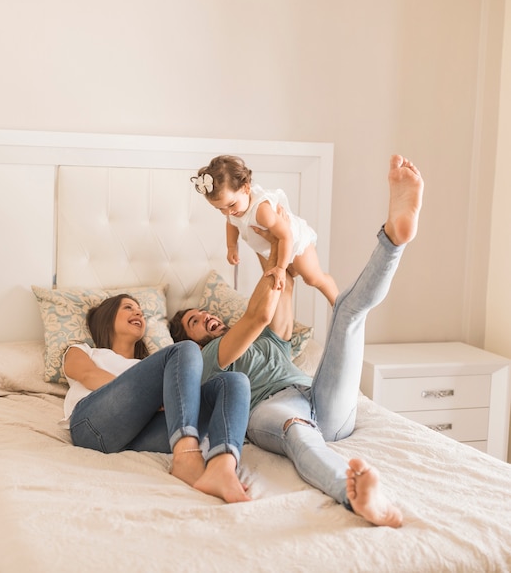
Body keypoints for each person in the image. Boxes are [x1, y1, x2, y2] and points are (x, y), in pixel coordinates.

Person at [171, 154, 424, 527]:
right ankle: (356, 497)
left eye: (205, 312)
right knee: (298, 434)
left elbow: (283, 284)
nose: (206, 316)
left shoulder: (271, 339)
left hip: (322, 399)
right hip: (271, 412)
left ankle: (393, 241)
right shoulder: (208, 358)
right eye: (194, 320)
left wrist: (280, 241)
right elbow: (257, 315)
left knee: (346, 313)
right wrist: (272, 248)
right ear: (188, 341)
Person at [62, 294, 251, 503]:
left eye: (140, 310)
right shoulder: (84, 350)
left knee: (234, 381)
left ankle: (222, 467)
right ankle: (186, 455)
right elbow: (88, 375)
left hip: (137, 437)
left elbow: (183, 401)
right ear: (107, 318)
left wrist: (160, 398)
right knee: (185, 348)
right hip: (92, 426)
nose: (138, 313)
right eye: (128, 307)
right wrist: (149, 399)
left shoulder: (152, 366)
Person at [191, 155, 338, 304]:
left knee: (312, 278)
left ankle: (336, 301)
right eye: (220, 209)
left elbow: (286, 236)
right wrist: (232, 246)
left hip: (295, 242)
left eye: (231, 205)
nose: (227, 212)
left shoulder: (262, 211)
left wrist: (281, 268)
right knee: (289, 276)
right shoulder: (234, 210)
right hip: (272, 248)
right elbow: (231, 223)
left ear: (246, 188)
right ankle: (290, 270)